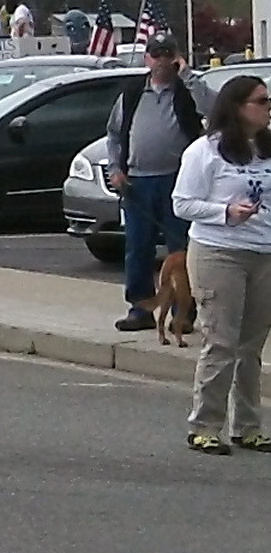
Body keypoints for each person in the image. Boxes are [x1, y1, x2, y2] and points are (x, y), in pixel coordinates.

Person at [171, 74, 271, 455]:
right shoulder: (205, 151)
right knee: (221, 341)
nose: (267, 108)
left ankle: (248, 426)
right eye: (261, 101)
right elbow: (182, 203)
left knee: (251, 345)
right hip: (219, 251)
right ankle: (205, 425)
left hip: (264, 253)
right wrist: (225, 211)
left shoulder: (267, 148)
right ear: (238, 107)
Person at [106, 31, 213, 331]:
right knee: (138, 248)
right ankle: (139, 310)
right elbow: (114, 134)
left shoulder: (187, 91)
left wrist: (189, 75)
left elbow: (216, 110)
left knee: (181, 250)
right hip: (137, 183)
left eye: (168, 54)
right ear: (147, 58)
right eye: (157, 54)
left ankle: (183, 313)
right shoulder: (131, 93)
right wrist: (116, 168)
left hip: (178, 183)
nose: (162, 61)